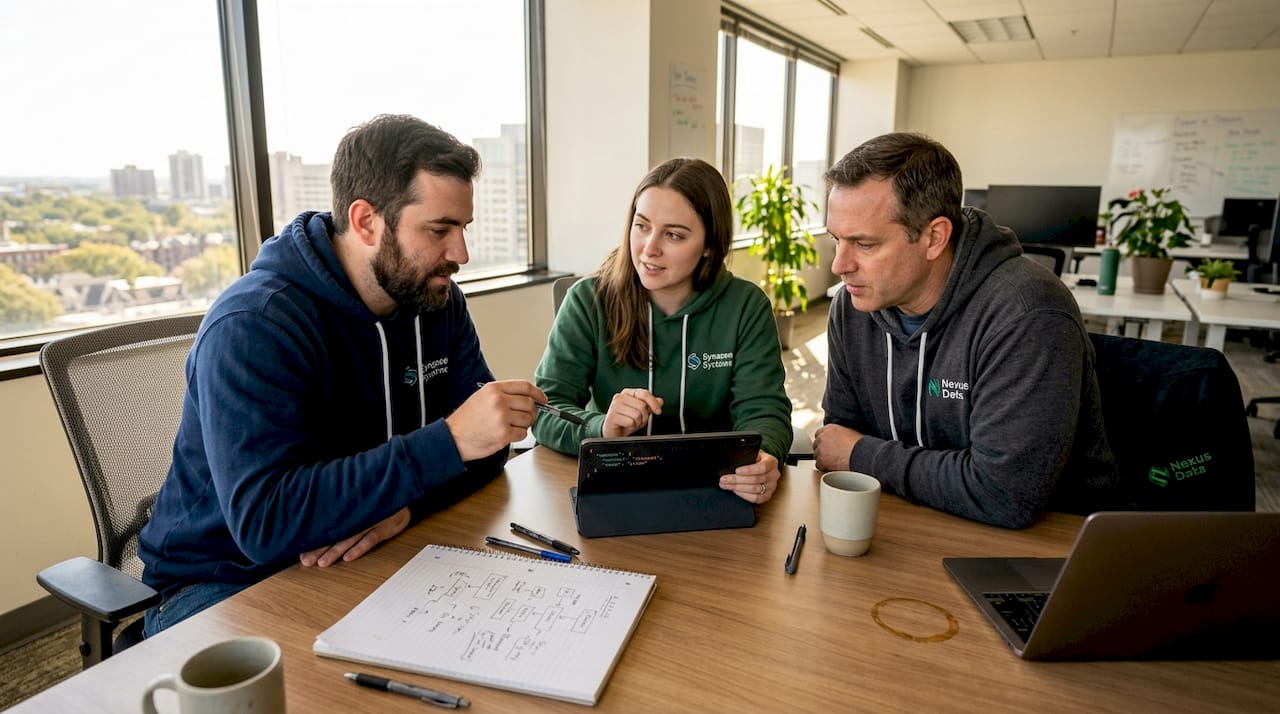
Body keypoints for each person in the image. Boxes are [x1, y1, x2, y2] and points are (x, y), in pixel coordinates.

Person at [138, 114, 546, 634]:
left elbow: (485, 449)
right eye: (439, 230)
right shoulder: (255, 325)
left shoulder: (435, 301)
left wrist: (406, 505)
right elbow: (265, 523)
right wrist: (446, 445)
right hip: (224, 579)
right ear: (366, 221)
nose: (460, 254)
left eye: (463, 229)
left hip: (362, 549)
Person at [813, 132, 1119, 528]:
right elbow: (837, 440)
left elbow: (1004, 493)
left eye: (864, 244)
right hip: (908, 519)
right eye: (836, 239)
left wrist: (861, 455)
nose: (839, 266)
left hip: (1048, 542)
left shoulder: (1027, 313)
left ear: (934, 238)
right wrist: (854, 453)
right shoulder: (852, 307)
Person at [532, 157, 793, 503]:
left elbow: (764, 410)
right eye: (641, 226)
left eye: (673, 235)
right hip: (615, 484)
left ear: (710, 244)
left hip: (715, 486)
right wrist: (602, 427)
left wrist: (764, 458)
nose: (649, 248)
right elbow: (546, 409)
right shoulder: (587, 300)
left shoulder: (746, 305)